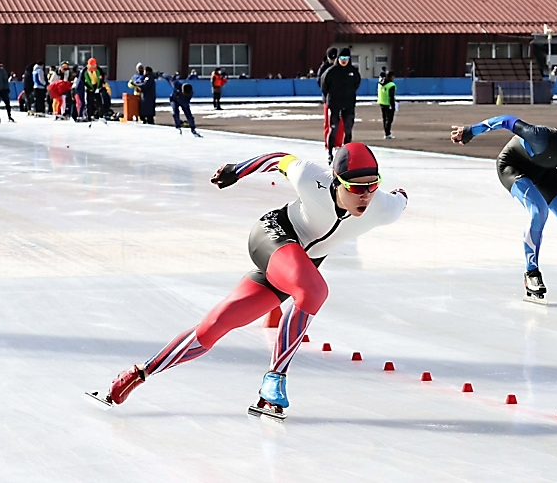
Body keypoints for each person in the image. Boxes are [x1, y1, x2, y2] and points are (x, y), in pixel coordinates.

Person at [100, 143, 408, 417]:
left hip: (296, 266)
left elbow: (401, 197)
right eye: (355, 188)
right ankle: (275, 378)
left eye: (372, 186)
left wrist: (399, 194)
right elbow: (279, 159)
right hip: (274, 236)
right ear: (336, 181)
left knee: (214, 326)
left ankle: (139, 373)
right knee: (314, 289)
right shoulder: (311, 177)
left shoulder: (383, 208)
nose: (365, 195)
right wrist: (237, 170)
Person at [450, 114, 557, 303]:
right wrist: (470, 131)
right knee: (539, 211)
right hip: (513, 167)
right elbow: (506, 121)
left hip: (544, 171)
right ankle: (531, 273)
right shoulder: (541, 138)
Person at [321, 48, 361, 165]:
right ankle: (330, 153)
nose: (344, 61)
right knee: (334, 128)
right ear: (338, 59)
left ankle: (346, 152)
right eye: (342, 59)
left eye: (346, 59)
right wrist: (330, 98)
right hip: (334, 104)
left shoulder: (353, 72)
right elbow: (324, 86)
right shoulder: (331, 72)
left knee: (348, 129)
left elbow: (356, 84)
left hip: (348, 104)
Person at [317, 48, 345, 153]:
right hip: (329, 100)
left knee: (341, 122)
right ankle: (328, 144)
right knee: (329, 123)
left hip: (341, 100)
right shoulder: (324, 68)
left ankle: (338, 143)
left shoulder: (341, 68)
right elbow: (321, 84)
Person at [159, 72, 201, 137]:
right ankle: (178, 126)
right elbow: (169, 78)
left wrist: (185, 105)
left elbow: (186, 103)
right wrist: (160, 74)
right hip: (174, 100)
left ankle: (193, 128)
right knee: (176, 112)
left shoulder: (190, 93)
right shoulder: (176, 84)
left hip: (184, 102)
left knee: (188, 114)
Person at [377, 70, 398, 139]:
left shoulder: (380, 83)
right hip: (388, 103)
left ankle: (386, 132)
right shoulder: (391, 85)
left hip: (381, 102)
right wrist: (393, 105)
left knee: (384, 119)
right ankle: (387, 133)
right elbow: (391, 96)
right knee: (389, 119)